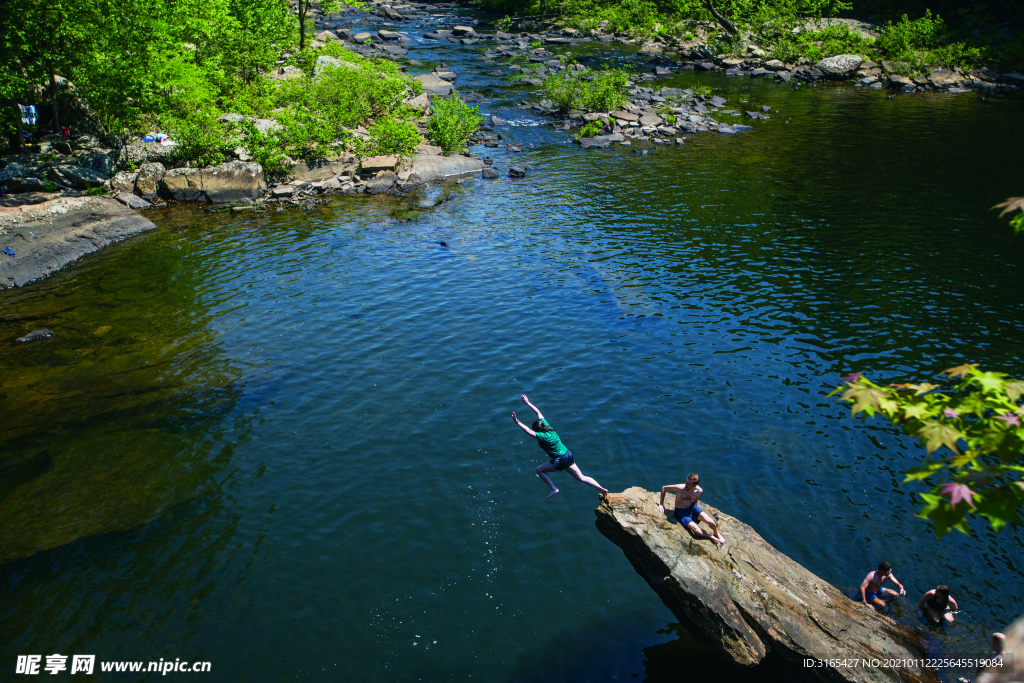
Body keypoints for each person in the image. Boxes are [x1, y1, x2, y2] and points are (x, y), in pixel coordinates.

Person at [512, 395, 608, 499]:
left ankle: (553, 488)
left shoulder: (542, 436)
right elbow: (538, 413)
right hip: (568, 454)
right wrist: (528, 402)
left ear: (538, 431)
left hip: (560, 460)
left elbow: (528, 431)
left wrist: (517, 422)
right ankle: (602, 489)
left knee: (539, 470)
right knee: (582, 477)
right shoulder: (549, 429)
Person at [658, 474, 724, 546]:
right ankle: (710, 536)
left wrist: (696, 512)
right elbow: (664, 488)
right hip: (681, 512)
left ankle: (716, 533)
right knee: (697, 531)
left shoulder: (699, 491)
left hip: (692, 508)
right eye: (686, 482)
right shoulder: (680, 488)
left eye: (688, 484)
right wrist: (661, 504)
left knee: (711, 523)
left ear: (694, 486)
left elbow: (695, 500)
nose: (686, 485)